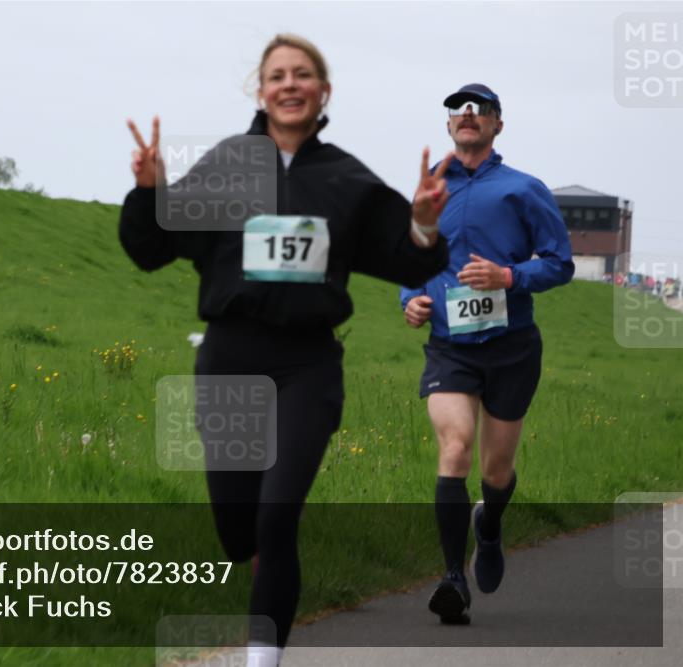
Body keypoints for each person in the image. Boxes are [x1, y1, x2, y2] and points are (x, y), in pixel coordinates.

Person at [120, 34, 452, 666]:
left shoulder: (347, 179)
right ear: (261, 90)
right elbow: (151, 249)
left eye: (303, 75)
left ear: (323, 91)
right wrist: (149, 191)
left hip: (307, 367)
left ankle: (262, 658)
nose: (290, 85)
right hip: (229, 361)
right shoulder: (226, 166)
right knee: (236, 530)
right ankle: (252, 568)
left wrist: (424, 222)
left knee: (277, 519)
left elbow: (406, 254)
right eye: (277, 76)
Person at [400, 83, 574, 625]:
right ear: (449, 125)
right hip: (450, 348)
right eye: (458, 109)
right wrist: (411, 300)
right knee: (455, 446)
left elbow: (560, 262)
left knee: (496, 470)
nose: (468, 114)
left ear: (499, 125)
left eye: (481, 109)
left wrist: (508, 276)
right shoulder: (430, 192)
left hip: (511, 348)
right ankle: (453, 578)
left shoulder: (524, 188)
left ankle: (490, 525)